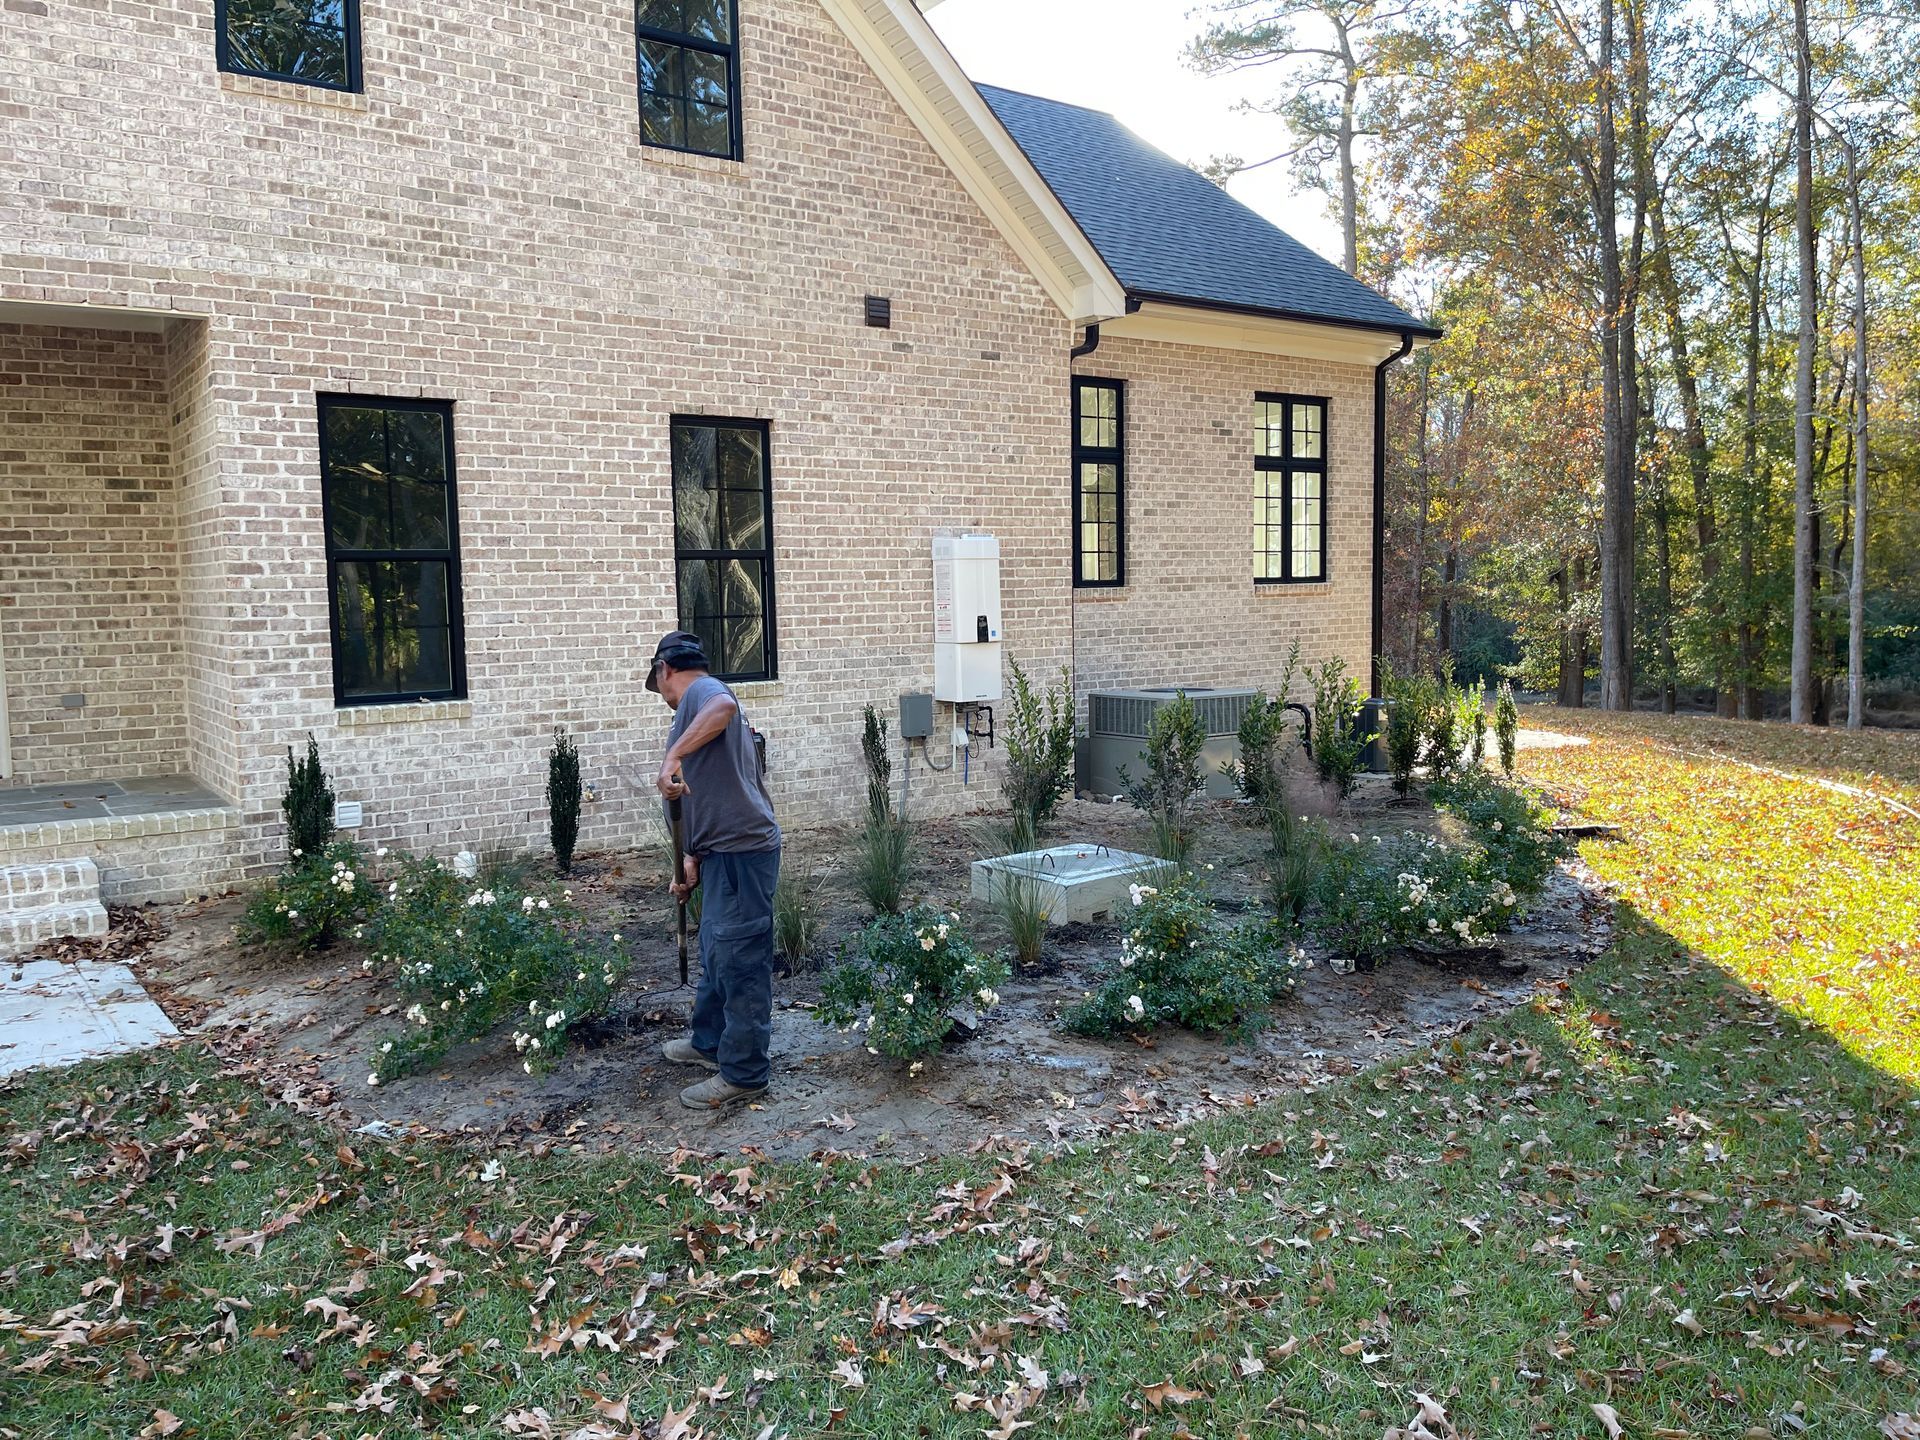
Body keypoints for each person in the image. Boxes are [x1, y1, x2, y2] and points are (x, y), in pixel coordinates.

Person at [647, 630, 783, 1109]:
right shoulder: (693, 708)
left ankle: (745, 1074)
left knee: (739, 960)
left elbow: (723, 706)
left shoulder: (703, 692)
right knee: (715, 950)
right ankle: (708, 1043)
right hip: (719, 853)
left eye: (657, 683)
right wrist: (691, 856)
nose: (661, 696)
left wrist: (674, 754)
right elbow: (714, 790)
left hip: (743, 856)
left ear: (665, 670)